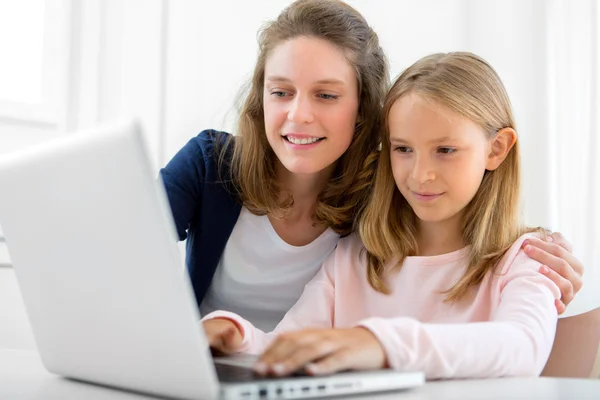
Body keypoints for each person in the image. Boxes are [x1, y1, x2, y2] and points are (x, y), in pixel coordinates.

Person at [160, 0, 583, 334]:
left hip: (314, 377)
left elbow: (460, 217)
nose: (299, 115)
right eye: (281, 92)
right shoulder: (210, 164)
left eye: (326, 95)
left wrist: (532, 251)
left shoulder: (384, 191)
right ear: (262, 99)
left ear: (363, 107)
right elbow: (122, 250)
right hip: (205, 370)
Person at [201, 52, 565, 380]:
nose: (420, 173)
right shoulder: (356, 258)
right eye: (403, 149)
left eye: (445, 150)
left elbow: (521, 348)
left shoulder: (528, 259)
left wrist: (379, 344)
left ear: (496, 149)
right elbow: (290, 349)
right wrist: (236, 336)